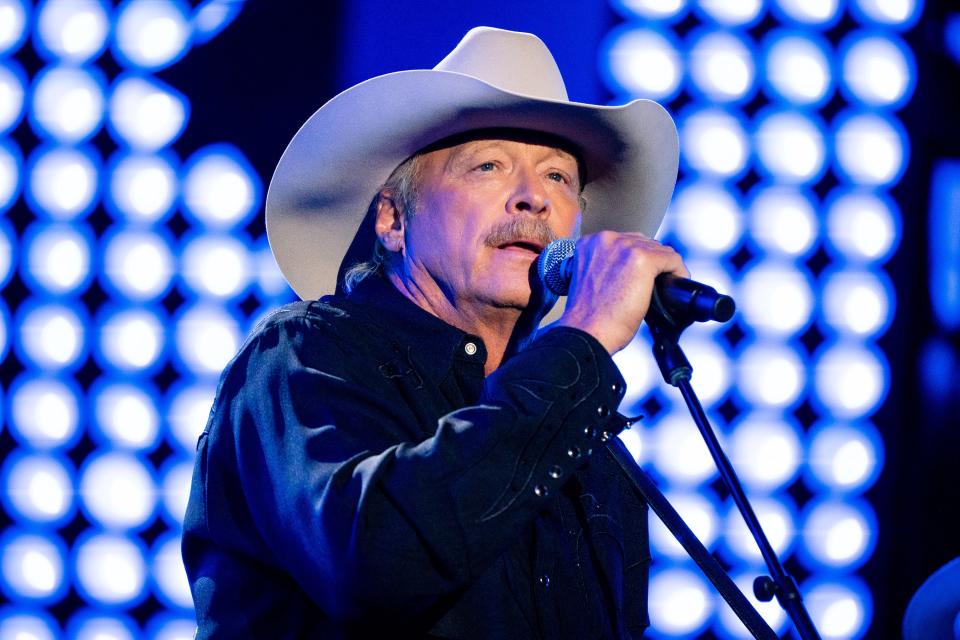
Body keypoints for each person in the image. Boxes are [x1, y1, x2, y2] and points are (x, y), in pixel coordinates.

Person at [182, 27, 687, 639]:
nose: (534, 199)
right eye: (489, 166)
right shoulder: (303, 358)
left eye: (557, 177)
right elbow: (372, 563)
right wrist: (581, 342)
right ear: (394, 219)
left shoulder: (587, 442)